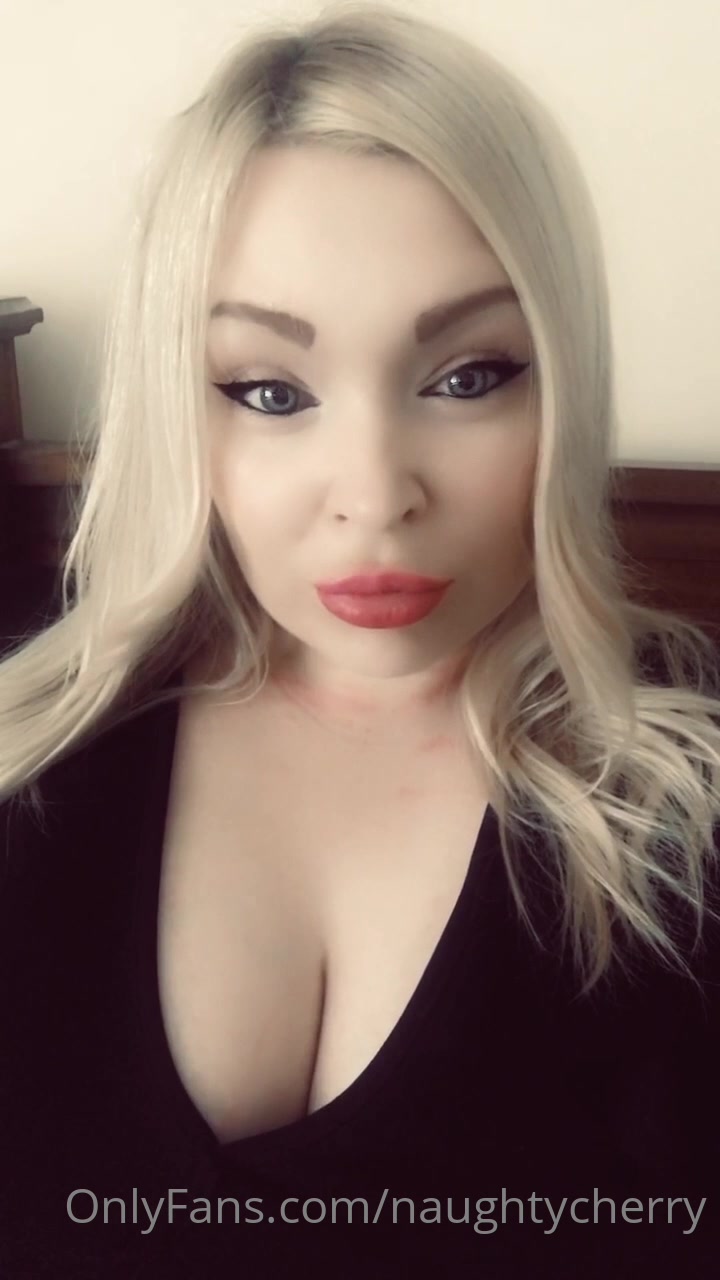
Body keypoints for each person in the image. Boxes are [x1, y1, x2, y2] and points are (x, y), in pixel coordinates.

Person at [2, 2, 720, 1276]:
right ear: (181, 405)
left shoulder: (690, 794)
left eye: (468, 375)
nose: (376, 493)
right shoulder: (34, 765)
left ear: (564, 376)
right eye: (270, 390)